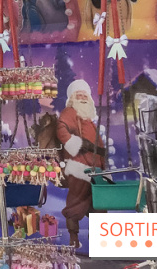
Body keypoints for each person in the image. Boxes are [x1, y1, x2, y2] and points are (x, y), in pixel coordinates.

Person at [56, 79, 105, 248]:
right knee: (76, 203)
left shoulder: (88, 119)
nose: (83, 96)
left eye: (85, 94)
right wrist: (77, 144)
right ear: (72, 97)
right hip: (79, 167)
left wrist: (102, 161)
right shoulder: (69, 112)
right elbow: (62, 129)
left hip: (94, 168)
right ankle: (73, 239)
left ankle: (99, 239)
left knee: (99, 203)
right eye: (79, 94)